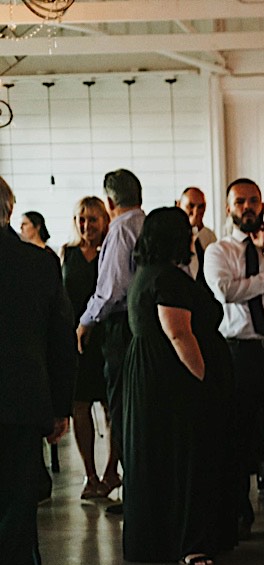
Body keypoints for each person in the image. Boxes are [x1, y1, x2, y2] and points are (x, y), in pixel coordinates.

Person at [120, 207, 238, 565]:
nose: (191, 236)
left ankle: (168, 538)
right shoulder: (167, 280)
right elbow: (178, 332)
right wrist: (203, 378)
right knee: (187, 457)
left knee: (163, 457)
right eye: (186, 231)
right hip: (174, 380)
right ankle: (191, 541)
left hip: (153, 374)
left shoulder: (148, 273)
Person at [204, 178, 264, 538]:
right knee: (238, 435)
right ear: (230, 208)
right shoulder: (218, 251)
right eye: (240, 202)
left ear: (262, 205)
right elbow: (227, 291)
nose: (248, 207)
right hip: (238, 352)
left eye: (254, 201)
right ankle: (239, 514)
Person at [0, 175, 74, 565]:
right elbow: (59, 339)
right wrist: (60, 405)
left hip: (22, 400)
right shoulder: (39, 263)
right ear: (9, 209)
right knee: (14, 506)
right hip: (22, 400)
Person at [78, 169, 146, 491]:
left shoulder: (120, 230)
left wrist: (86, 321)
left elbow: (111, 289)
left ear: (109, 202)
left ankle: (133, 491)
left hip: (121, 327)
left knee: (121, 410)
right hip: (145, 325)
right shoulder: (147, 224)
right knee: (138, 408)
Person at [63, 196, 117, 500]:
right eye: (81, 219)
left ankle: (111, 471)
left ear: (104, 220)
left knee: (112, 407)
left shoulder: (110, 252)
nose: (86, 225)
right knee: (79, 406)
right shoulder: (66, 253)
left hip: (106, 339)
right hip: (77, 341)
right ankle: (90, 475)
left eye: (92, 219)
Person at [178, 186, 217, 282]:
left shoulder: (209, 236)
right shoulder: (173, 236)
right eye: (190, 206)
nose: (196, 212)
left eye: (201, 207)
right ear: (179, 205)